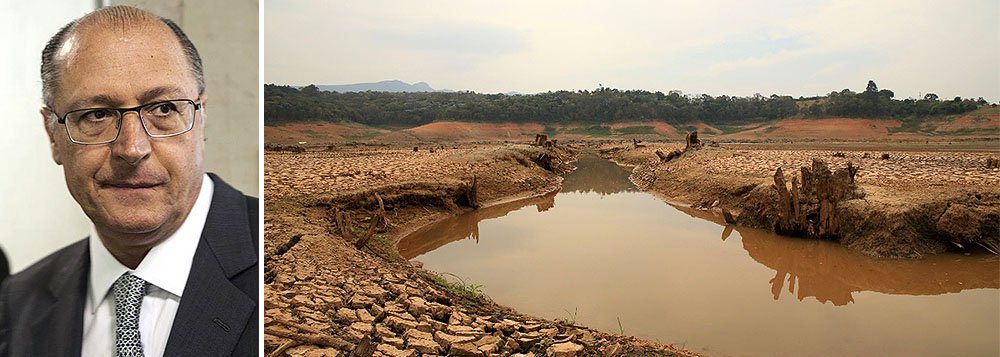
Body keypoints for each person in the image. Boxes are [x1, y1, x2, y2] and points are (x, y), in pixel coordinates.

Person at [0, 5, 258, 356]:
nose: (132, 148)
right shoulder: (16, 303)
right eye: (97, 114)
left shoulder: (268, 253)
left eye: (163, 109)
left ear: (200, 118)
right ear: (52, 135)